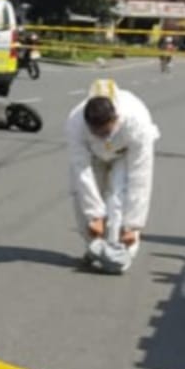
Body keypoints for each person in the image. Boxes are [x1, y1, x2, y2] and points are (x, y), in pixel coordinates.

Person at [66, 78, 160, 274]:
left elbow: (141, 176)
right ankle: (95, 247)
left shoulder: (136, 121)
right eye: (97, 133)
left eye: (107, 131)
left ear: (116, 118)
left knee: (118, 198)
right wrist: (94, 215)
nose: (104, 137)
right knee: (81, 197)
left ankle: (122, 252)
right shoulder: (75, 122)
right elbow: (81, 169)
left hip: (125, 154)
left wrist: (133, 224)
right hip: (94, 156)